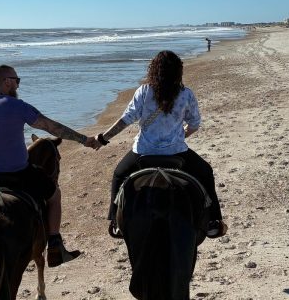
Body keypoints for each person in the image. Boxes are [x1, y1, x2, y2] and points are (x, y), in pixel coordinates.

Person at [0, 64, 100, 267]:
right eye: (17, 81)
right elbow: (52, 127)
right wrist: (84, 139)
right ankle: (55, 246)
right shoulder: (19, 107)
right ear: (7, 82)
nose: (18, 85)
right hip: (18, 173)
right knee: (54, 195)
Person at [95, 50, 227, 238]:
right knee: (205, 172)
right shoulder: (186, 94)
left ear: (154, 70)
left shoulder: (143, 91)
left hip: (143, 153)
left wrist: (103, 139)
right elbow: (195, 124)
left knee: (119, 174)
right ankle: (214, 221)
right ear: (178, 72)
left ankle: (115, 221)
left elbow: (126, 120)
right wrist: (180, 136)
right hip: (177, 153)